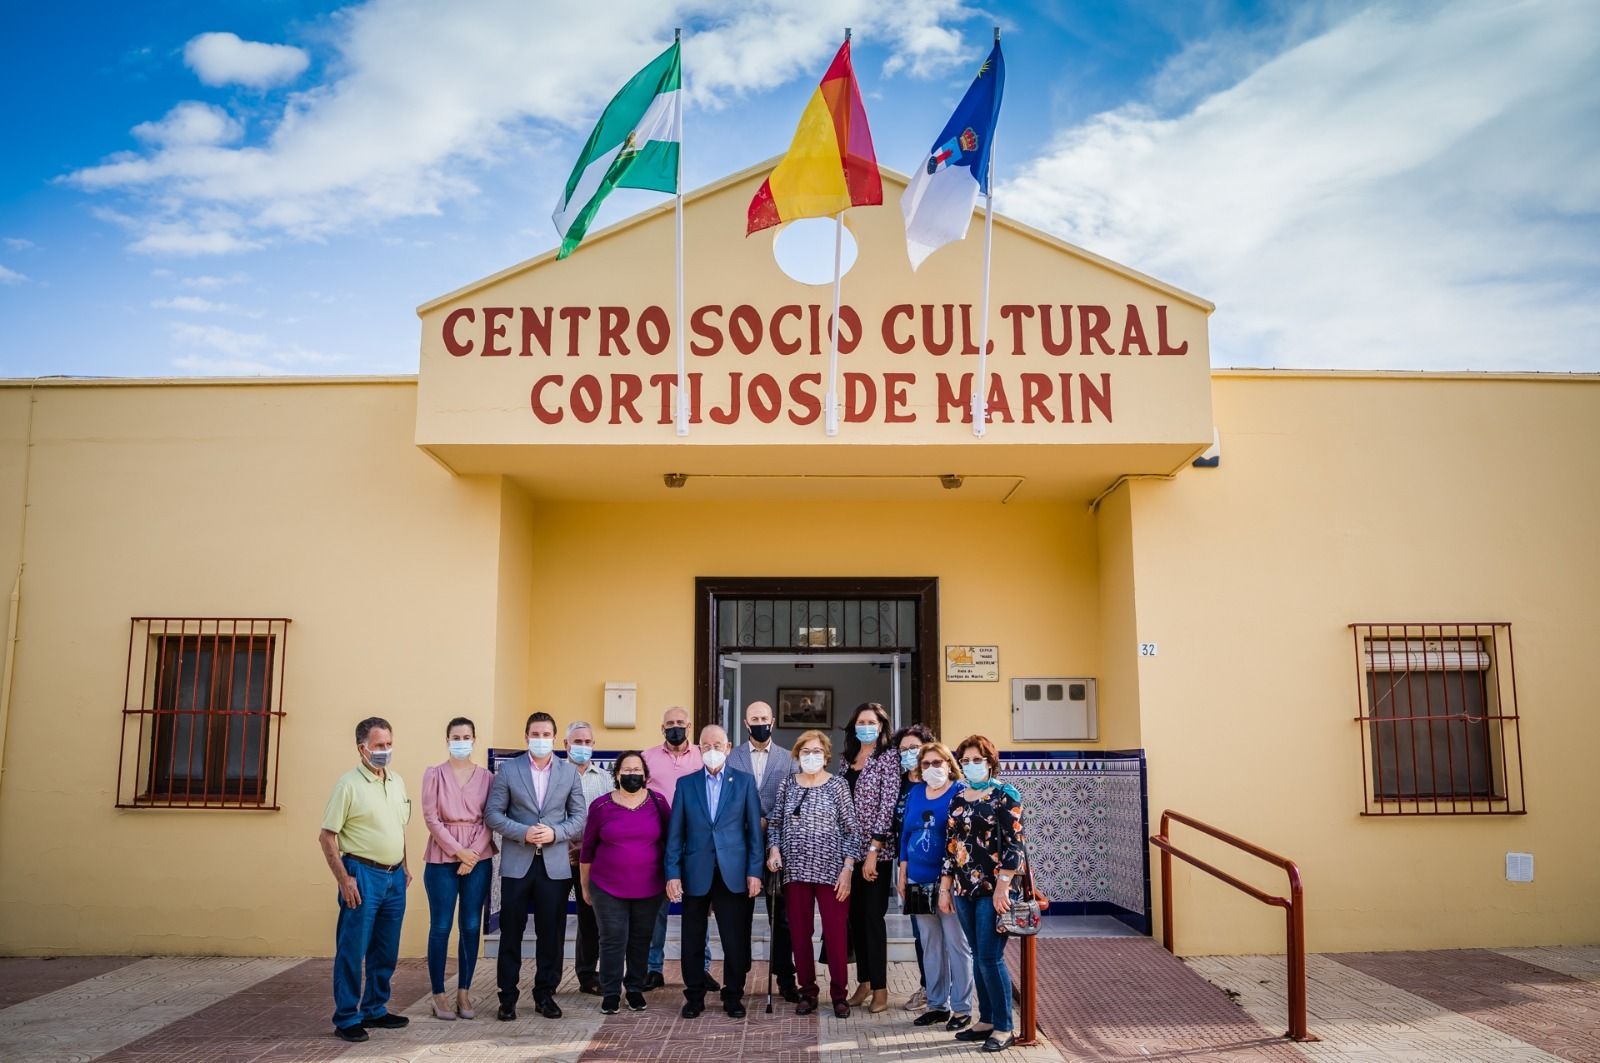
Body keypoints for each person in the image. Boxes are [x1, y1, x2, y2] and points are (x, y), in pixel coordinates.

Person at [484, 711, 589, 1021]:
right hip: (518, 863)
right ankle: (507, 996)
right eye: (535, 734)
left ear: (555, 739)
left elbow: (579, 817)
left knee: (550, 932)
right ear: (526, 736)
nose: (541, 739)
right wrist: (523, 832)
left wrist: (556, 832)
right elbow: (493, 814)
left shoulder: (569, 773)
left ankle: (545, 993)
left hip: (555, 866)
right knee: (511, 931)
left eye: (546, 735)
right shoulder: (509, 771)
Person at [318, 717, 412, 1043]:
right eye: (378, 746)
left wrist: (406, 866)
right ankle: (346, 1017)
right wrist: (344, 879)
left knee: (385, 949)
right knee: (352, 948)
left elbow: (398, 827)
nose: (385, 751)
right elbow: (326, 837)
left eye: (388, 744)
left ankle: (375, 1008)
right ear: (362, 748)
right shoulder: (348, 785)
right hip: (362, 874)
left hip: (394, 877)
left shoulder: (397, 781)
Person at [665, 725, 764, 1019]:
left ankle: (733, 995)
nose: (711, 750)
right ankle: (694, 996)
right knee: (693, 938)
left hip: (733, 873)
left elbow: (754, 835)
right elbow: (675, 834)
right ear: (698, 748)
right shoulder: (686, 784)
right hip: (695, 871)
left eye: (717, 744)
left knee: (735, 939)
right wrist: (672, 873)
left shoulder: (745, 783)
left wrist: (754, 872)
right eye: (706, 745)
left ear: (729, 746)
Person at [940, 735, 1026, 1053]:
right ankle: (986, 1019)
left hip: (994, 890)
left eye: (977, 759)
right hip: (964, 889)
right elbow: (952, 846)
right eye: (965, 760)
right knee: (978, 956)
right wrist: (946, 888)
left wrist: (1003, 885)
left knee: (990, 958)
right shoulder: (959, 797)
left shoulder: (1005, 795)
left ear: (990, 761)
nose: (971, 765)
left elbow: (1015, 844)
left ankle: (1005, 1027)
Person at [767, 729, 860, 1017]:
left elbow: (852, 831)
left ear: (826, 756)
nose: (811, 756)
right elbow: (775, 824)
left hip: (832, 873)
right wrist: (773, 850)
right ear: (797, 756)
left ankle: (839, 995)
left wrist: (847, 869)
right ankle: (807, 991)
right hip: (795, 871)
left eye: (816, 752)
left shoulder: (838, 786)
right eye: (805, 752)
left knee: (834, 934)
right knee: (799, 933)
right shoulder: (788, 785)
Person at [580, 751, 671, 1015]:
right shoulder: (600, 806)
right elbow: (587, 851)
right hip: (606, 887)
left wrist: (670, 879)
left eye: (637, 770)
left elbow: (671, 843)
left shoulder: (658, 802)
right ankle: (610, 992)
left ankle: (634, 989)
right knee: (612, 938)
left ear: (645, 775)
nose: (633, 774)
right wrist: (585, 887)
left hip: (650, 887)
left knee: (641, 939)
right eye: (627, 770)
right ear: (617, 774)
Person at [421, 717, 495, 1021]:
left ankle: (464, 990)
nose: (461, 741)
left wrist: (473, 855)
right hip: (442, 856)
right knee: (440, 925)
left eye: (466, 736)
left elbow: (492, 817)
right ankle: (438, 993)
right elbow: (430, 817)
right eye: (456, 736)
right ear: (447, 739)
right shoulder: (434, 774)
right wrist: (458, 852)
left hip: (478, 856)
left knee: (470, 925)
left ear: (474, 740)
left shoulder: (488, 777)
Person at [726, 699, 798, 1002]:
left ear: (772, 722)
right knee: (738, 917)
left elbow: (795, 800)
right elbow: (726, 799)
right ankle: (737, 979)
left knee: (781, 918)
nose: (759, 722)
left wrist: (771, 821)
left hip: (775, 846)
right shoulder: (732, 758)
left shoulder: (788, 759)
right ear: (745, 723)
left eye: (764, 718)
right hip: (740, 848)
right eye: (754, 718)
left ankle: (785, 977)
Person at [898, 741, 973, 1032]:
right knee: (930, 943)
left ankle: (963, 1009)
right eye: (926, 764)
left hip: (948, 883)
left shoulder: (959, 792)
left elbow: (960, 841)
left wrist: (948, 883)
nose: (932, 769)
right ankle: (937, 1005)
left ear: (949, 765)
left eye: (937, 763)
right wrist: (902, 872)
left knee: (957, 943)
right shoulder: (916, 792)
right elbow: (906, 833)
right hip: (916, 878)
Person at [640, 705, 713, 992]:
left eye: (680, 722)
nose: (675, 727)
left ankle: (701, 967)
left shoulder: (702, 755)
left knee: (698, 907)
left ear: (690, 726)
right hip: (659, 842)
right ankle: (653, 967)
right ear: (662, 728)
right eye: (669, 723)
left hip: (695, 843)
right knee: (656, 908)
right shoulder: (647, 757)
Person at [840, 702, 900, 1013]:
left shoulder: (888, 759)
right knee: (855, 920)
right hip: (848, 854)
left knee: (872, 920)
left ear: (880, 727)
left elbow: (887, 806)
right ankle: (863, 981)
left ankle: (880, 988)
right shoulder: (846, 760)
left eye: (871, 722)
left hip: (877, 854)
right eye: (860, 721)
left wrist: (874, 850)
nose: (865, 726)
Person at [564, 720, 613, 996]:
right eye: (577, 741)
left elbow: (608, 818)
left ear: (593, 745)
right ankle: (549, 978)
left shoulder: (605, 779)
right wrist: (568, 844)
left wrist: (584, 847)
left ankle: (587, 974)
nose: (582, 746)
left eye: (587, 742)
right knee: (553, 918)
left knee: (590, 917)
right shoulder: (556, 775)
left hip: (591, 859)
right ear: (566, 745)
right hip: (558, 855)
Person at [889, 723, 935, 1013]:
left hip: (937, 867)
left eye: (914, 748)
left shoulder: (935, 781)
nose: (909, 754)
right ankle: (928, 987)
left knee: (947, 934)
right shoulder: (898, 782)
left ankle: (948, 991)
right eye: (903, 749)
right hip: (910, 865)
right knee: (921, 931)